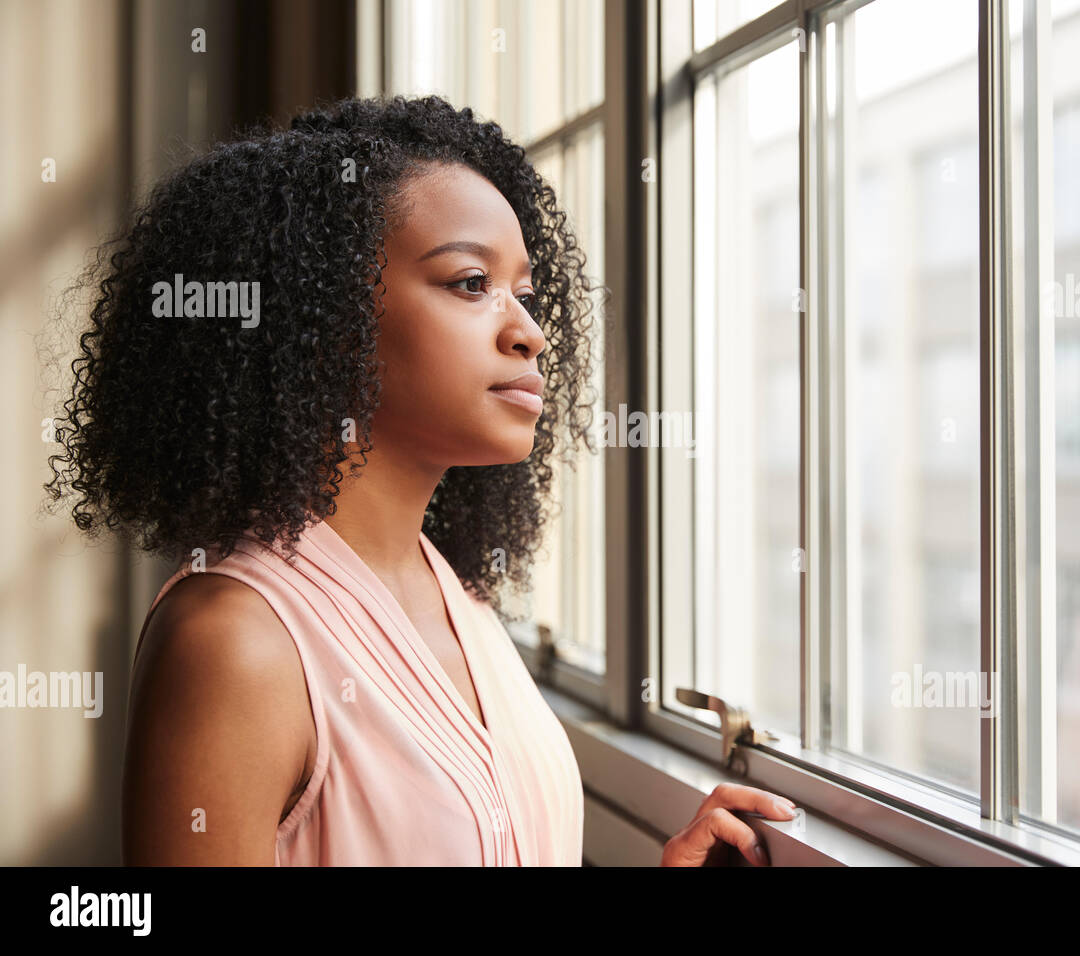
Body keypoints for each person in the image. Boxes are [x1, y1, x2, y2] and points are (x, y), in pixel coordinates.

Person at [45, 94, 796, 865]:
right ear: (328, 317)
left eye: (527, 295)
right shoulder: (235, 644)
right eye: (471, 283)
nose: (529, 332)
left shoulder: (458, 597)